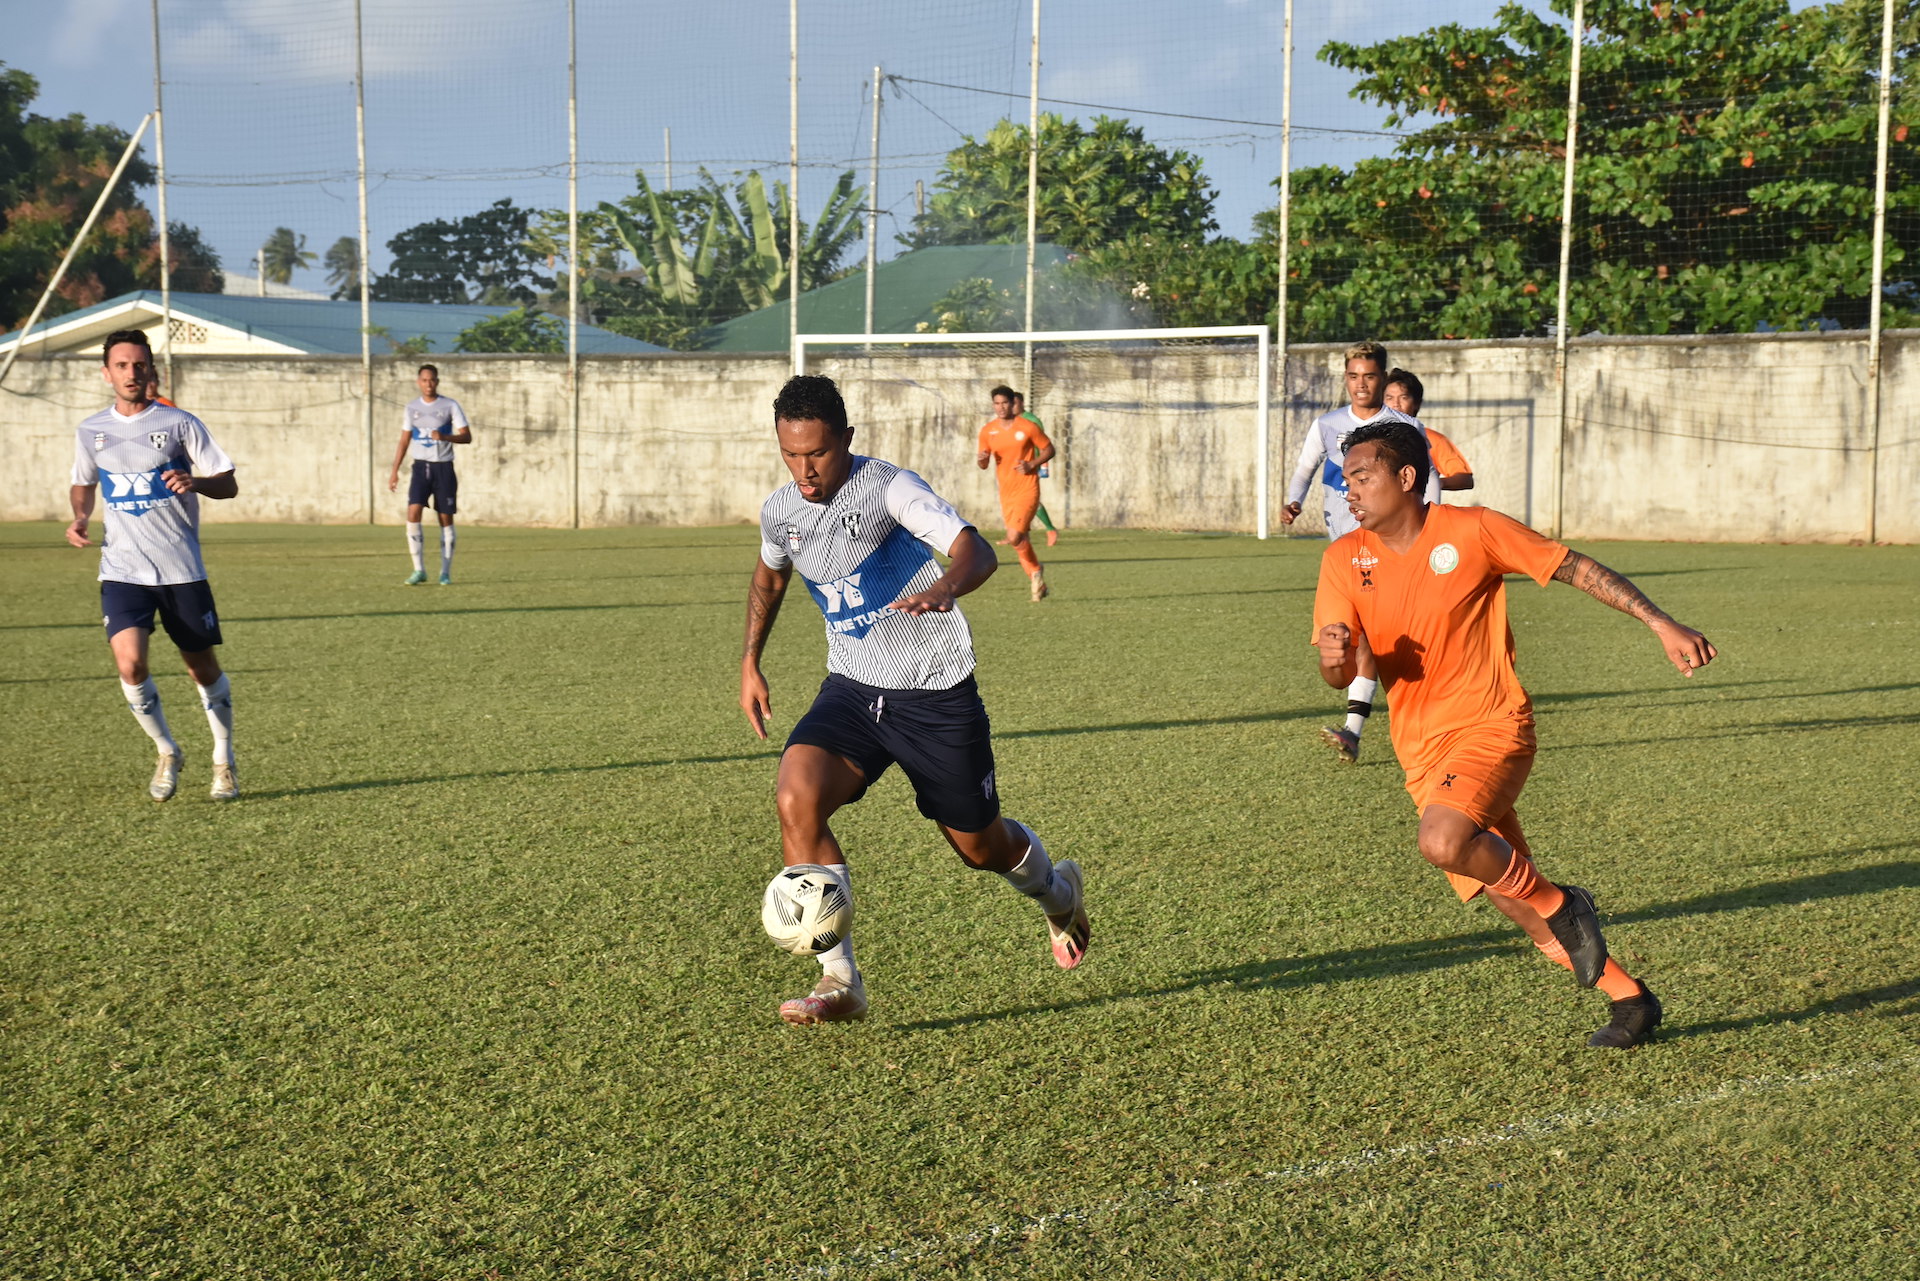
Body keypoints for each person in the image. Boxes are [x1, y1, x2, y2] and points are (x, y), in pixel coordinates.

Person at [1311, 418, 1716, 1048]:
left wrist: (1660, 623)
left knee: (1445, 842)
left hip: (1492, 726)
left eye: (1362, 477)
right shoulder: (1343, 559)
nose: (1348, 492)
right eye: (1346, 480)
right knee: (1511, 899)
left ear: (1407, 477)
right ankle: (1630, 1000)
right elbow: (1338, 675)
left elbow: (1575, 567)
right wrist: (1336, 653)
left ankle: (1565, 905)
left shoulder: (1473, 530)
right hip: (1420, 751)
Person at [741, 375, 1090, 1025]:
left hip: (934, 692)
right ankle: (840, 978)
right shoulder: (781, 510)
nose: (805, 469)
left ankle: (1058, 892)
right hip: (851, 688)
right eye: (791, 454)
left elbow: (974, 549)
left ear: (844, 439)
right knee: (796, 795)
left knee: (979, 847)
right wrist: (750, 661)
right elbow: (771, 571)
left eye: (817, 452)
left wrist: (946, 587)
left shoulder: (888, 488)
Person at [67, 329, 241, 802]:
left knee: (201, 669)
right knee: (131, 663)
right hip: (122, 570)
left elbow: (228, 483)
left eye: (139, 364)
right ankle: (167, 750)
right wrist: (81, 516)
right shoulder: (91, 431)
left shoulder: (180, 423)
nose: (131, 372)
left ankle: (223, 760)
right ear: (107, 373)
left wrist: (198, 483)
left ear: (151, 370)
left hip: (181, 569)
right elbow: (83, 483)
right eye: (121, 365)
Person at [1280, 341, 1434, 764]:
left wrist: (1433, 520)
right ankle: (1353, 729)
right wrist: (1294, 500)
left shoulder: (1404, 426)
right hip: (1350, 547)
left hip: (1400, 546)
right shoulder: (1327, 425)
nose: (1360, 384)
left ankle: (1427, 716)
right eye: (1352, 376)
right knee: (1362, 633)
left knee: (1410, 632)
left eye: (1368, 376)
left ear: (1383, 378)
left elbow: (1429, 475)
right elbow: (1305, 469)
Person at [387, 364, 471, 585]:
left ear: (437, 381)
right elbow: (404, 440)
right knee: (413, 511)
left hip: (443, 467)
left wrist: (445, 438)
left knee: (445, 518)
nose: (428, 384)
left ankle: (445, 572)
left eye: (432, 380)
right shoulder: (411, 408)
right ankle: (419, 570)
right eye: (424, 380)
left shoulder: (449, 405)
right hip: (420, 467)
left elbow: (467, 437)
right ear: (418, 382)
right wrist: (394, 470)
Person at [976, 384, 1054, 601]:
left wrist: (1032, 464)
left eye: (1004, 403)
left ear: (1013, 404)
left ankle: (1036, 573)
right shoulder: (988, 431)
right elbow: (983, 463)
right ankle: (1037, 578)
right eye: (996, 403)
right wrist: (982, 460)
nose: (1000, 407)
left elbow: (1049, 449)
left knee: (1014, 536)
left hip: (1027, 487)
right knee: (1019, 540)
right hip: (1006, 491)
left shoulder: (1027, 427)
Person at [1384, 368, 1473, 494]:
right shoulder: (1370, 437)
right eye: (1389, 398)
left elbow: (1465, 479)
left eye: (1403, 397)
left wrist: (1433, 483)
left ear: (1417, 403)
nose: (1396, 404)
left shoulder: (1431, 439)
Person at [1012, 391, 1060, 546]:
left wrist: (1042, 465)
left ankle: (1049, 529)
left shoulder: (1032, 420)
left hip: (1031, 466)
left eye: (1015, 403)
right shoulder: (1011, 422)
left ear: (1021, 403)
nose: (1012, 406)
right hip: (1016, 467)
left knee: (1029, 501)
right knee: (1017, 500)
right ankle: (1020, 534)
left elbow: (1043, 444)